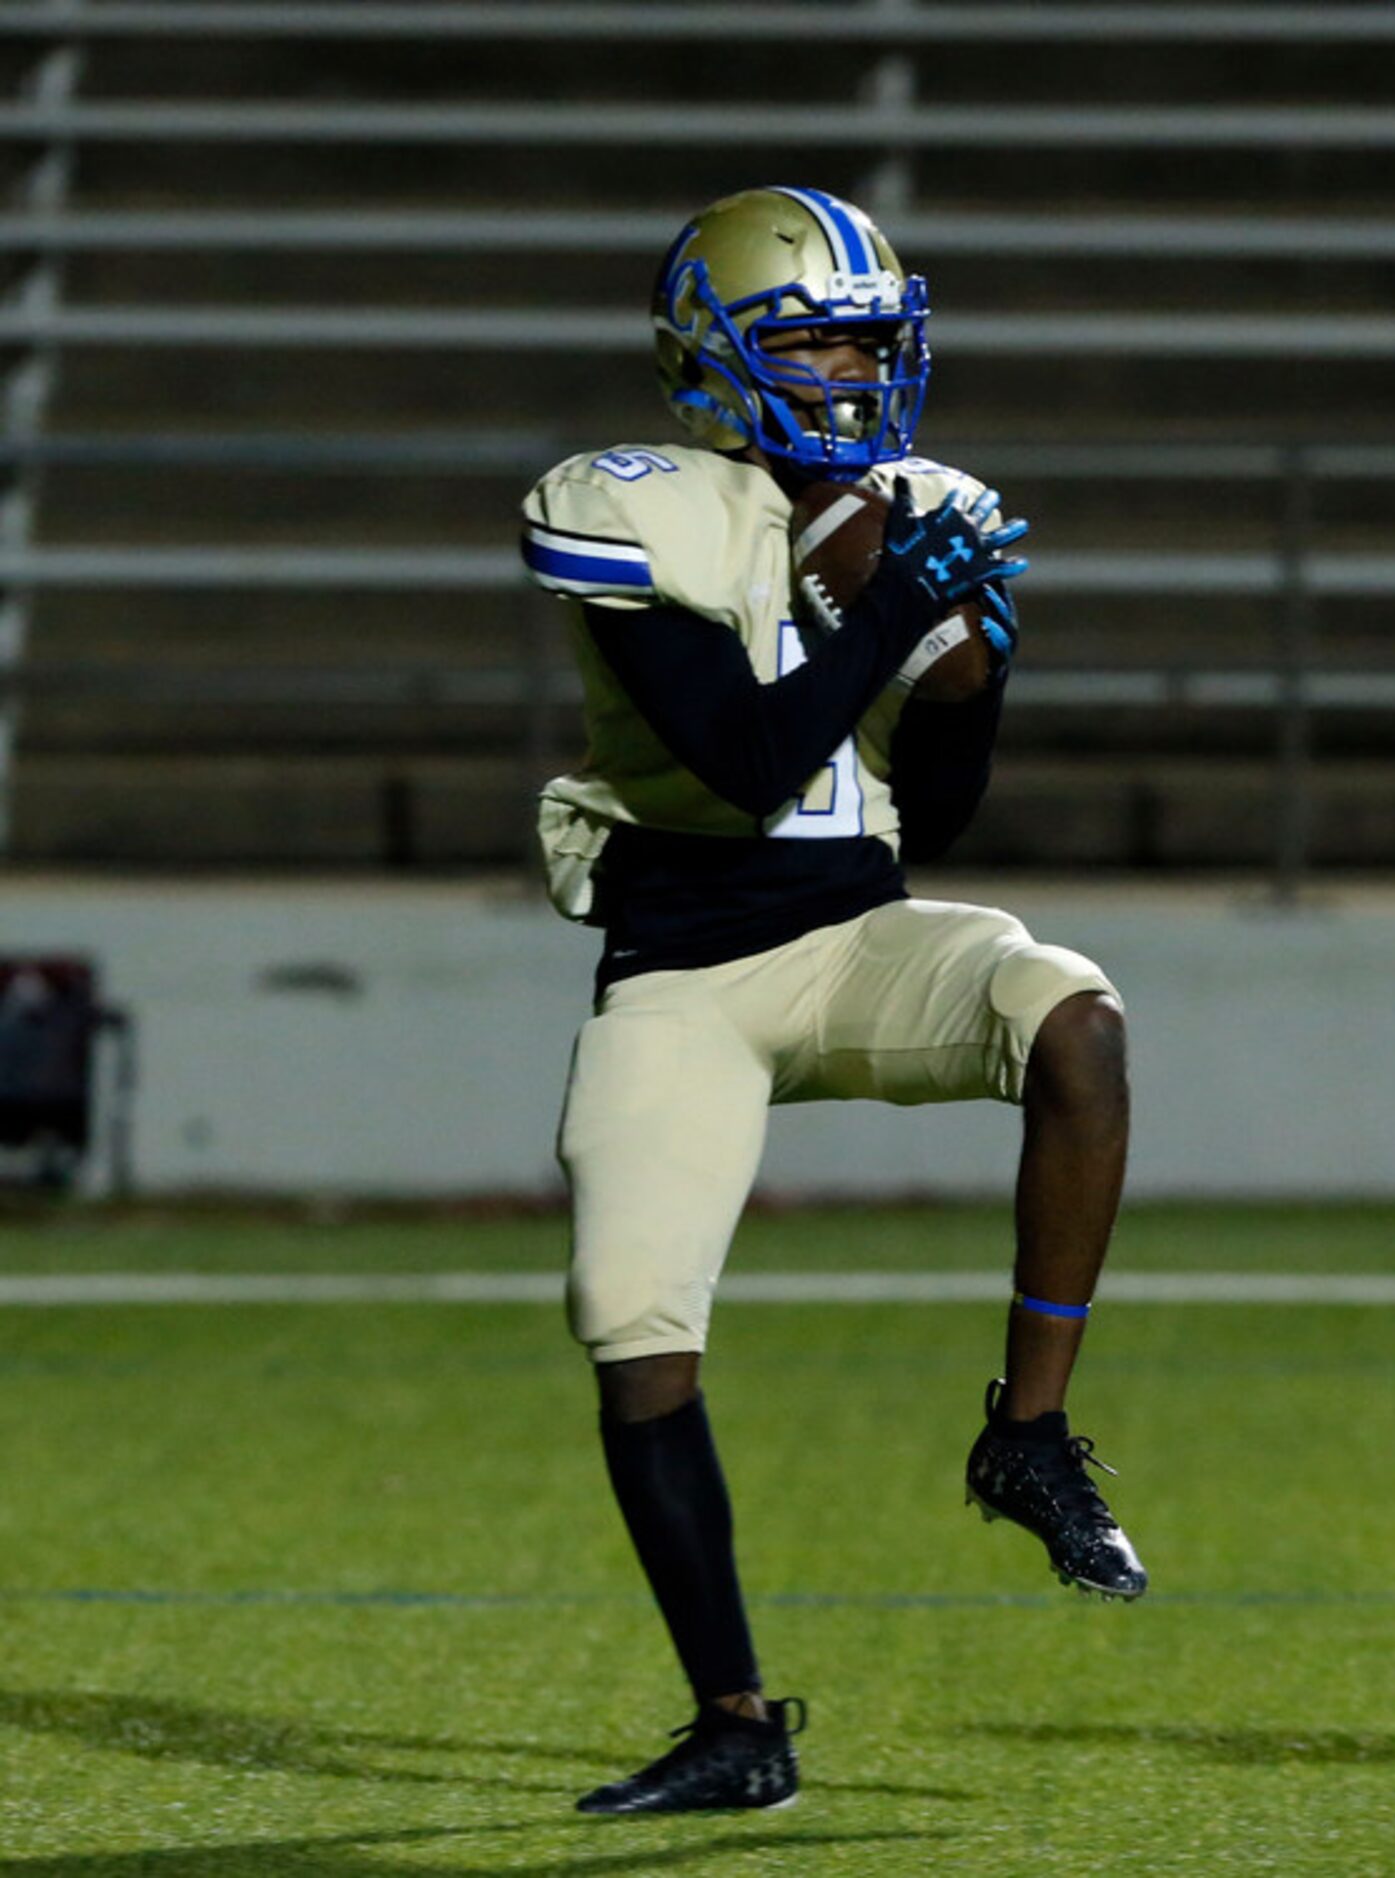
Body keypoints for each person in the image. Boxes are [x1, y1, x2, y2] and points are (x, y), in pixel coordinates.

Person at [518, 185, 1148, 1817]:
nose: (854, 372)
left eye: (871, 338)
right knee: (635, 1327)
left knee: (1074, 1017)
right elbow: (740, 757)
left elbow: (934, 821)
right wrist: (883, 609)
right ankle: (736, 1720)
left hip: (855, 935)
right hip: (686, 974)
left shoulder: (928, 499)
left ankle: (1030, 1434)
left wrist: (972, 667)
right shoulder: (630, 502)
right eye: (812, 341)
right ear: (716, 357)